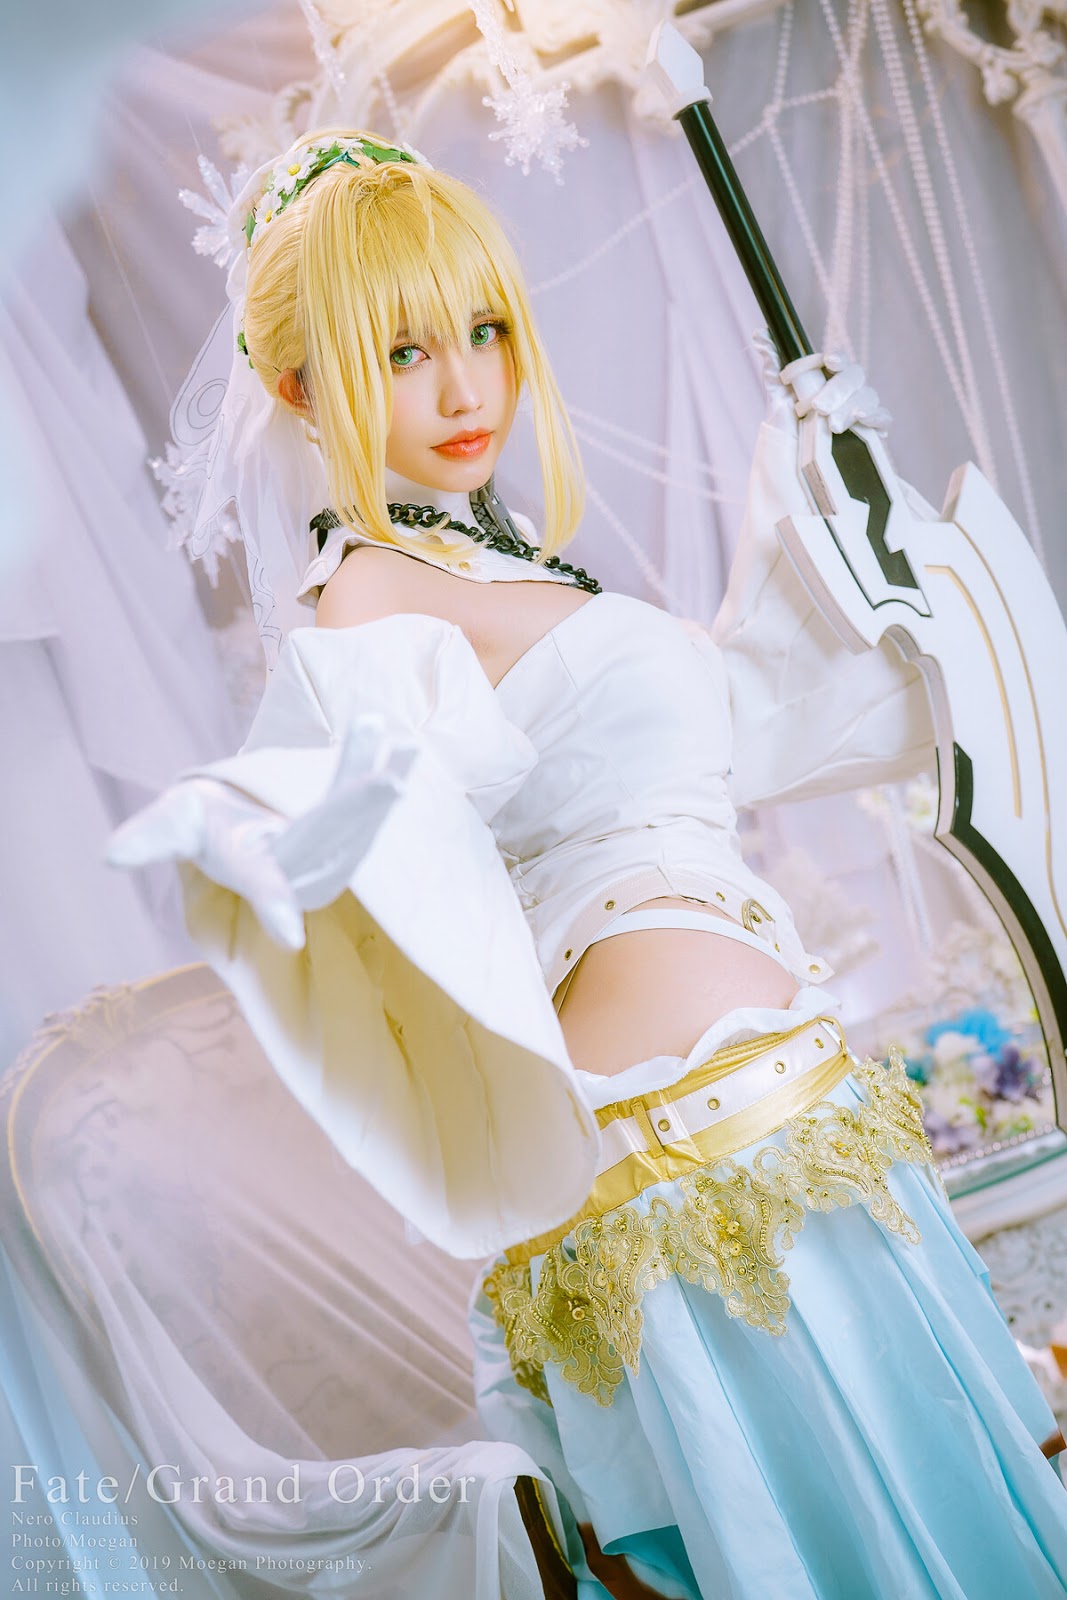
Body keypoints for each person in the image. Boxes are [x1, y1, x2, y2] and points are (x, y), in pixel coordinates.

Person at [109, 129, 1067, 1599]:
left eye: (484, 330)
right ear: (301, 389)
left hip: (755, 1117)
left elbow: (711, 739)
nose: (466, 387)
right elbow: (358, 808)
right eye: (404, 352)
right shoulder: (365, 595)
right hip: (689, 1157)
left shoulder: (477, 559)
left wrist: (810, 486)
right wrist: (286, 820)